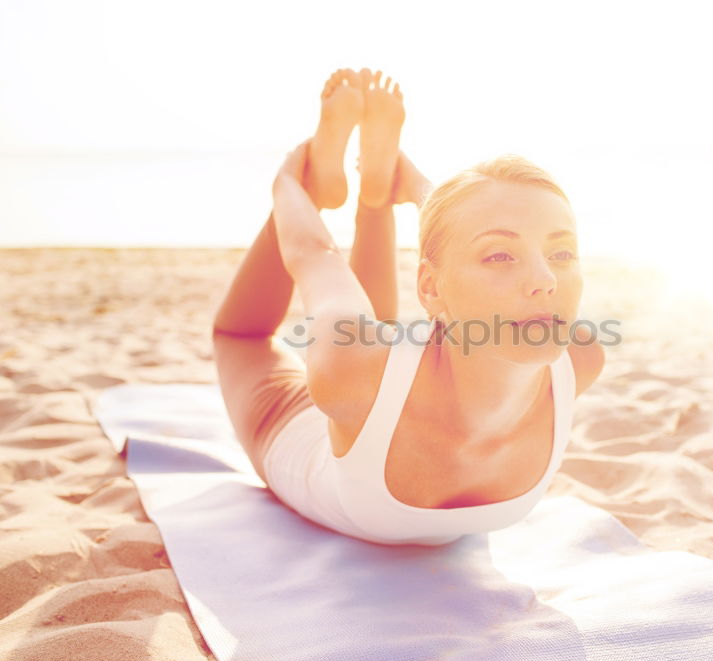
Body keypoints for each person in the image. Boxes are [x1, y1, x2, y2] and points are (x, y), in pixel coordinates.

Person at [212, 68, 605, 545]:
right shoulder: (347, 371)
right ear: (430, 289)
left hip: (382, 390)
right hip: (304, 433)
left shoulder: (579, 358)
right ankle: (325, 182)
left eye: (561, 253)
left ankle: (381, 189)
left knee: (386, 338)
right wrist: (288, 186)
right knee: (239, 338)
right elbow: (315, 255)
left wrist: (429, 194)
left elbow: (470, 229)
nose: (545, 280)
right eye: (501, 256)